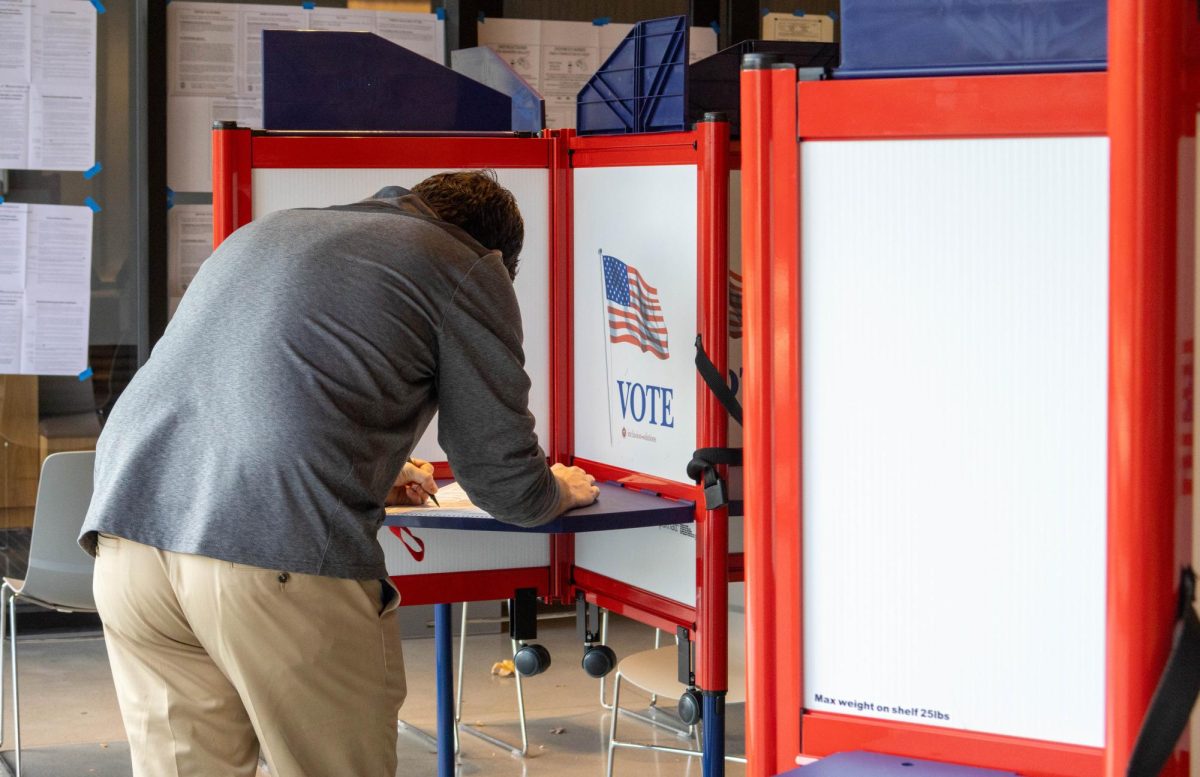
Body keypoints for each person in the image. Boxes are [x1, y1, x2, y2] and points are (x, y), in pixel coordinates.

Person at [78, 171, 599, 777]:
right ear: (497, 255)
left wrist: (374, 470)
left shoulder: (270, 231)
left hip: (129, 543)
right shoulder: (464, 265)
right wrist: (557, 489)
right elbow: (502, 476)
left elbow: (248, 397)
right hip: (272, 554)